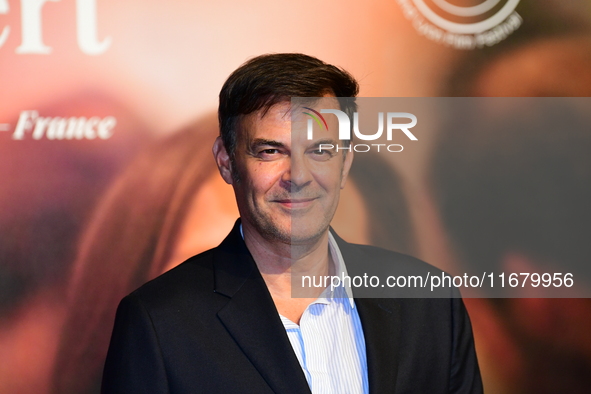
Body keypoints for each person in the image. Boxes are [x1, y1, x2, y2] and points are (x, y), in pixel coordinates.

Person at [101, 53, 482, 393]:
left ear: (345, 162)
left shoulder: (430, 302)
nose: (297, 175)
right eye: (270, 151)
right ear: (226, 160)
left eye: (320, 151)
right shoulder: (159, 323)